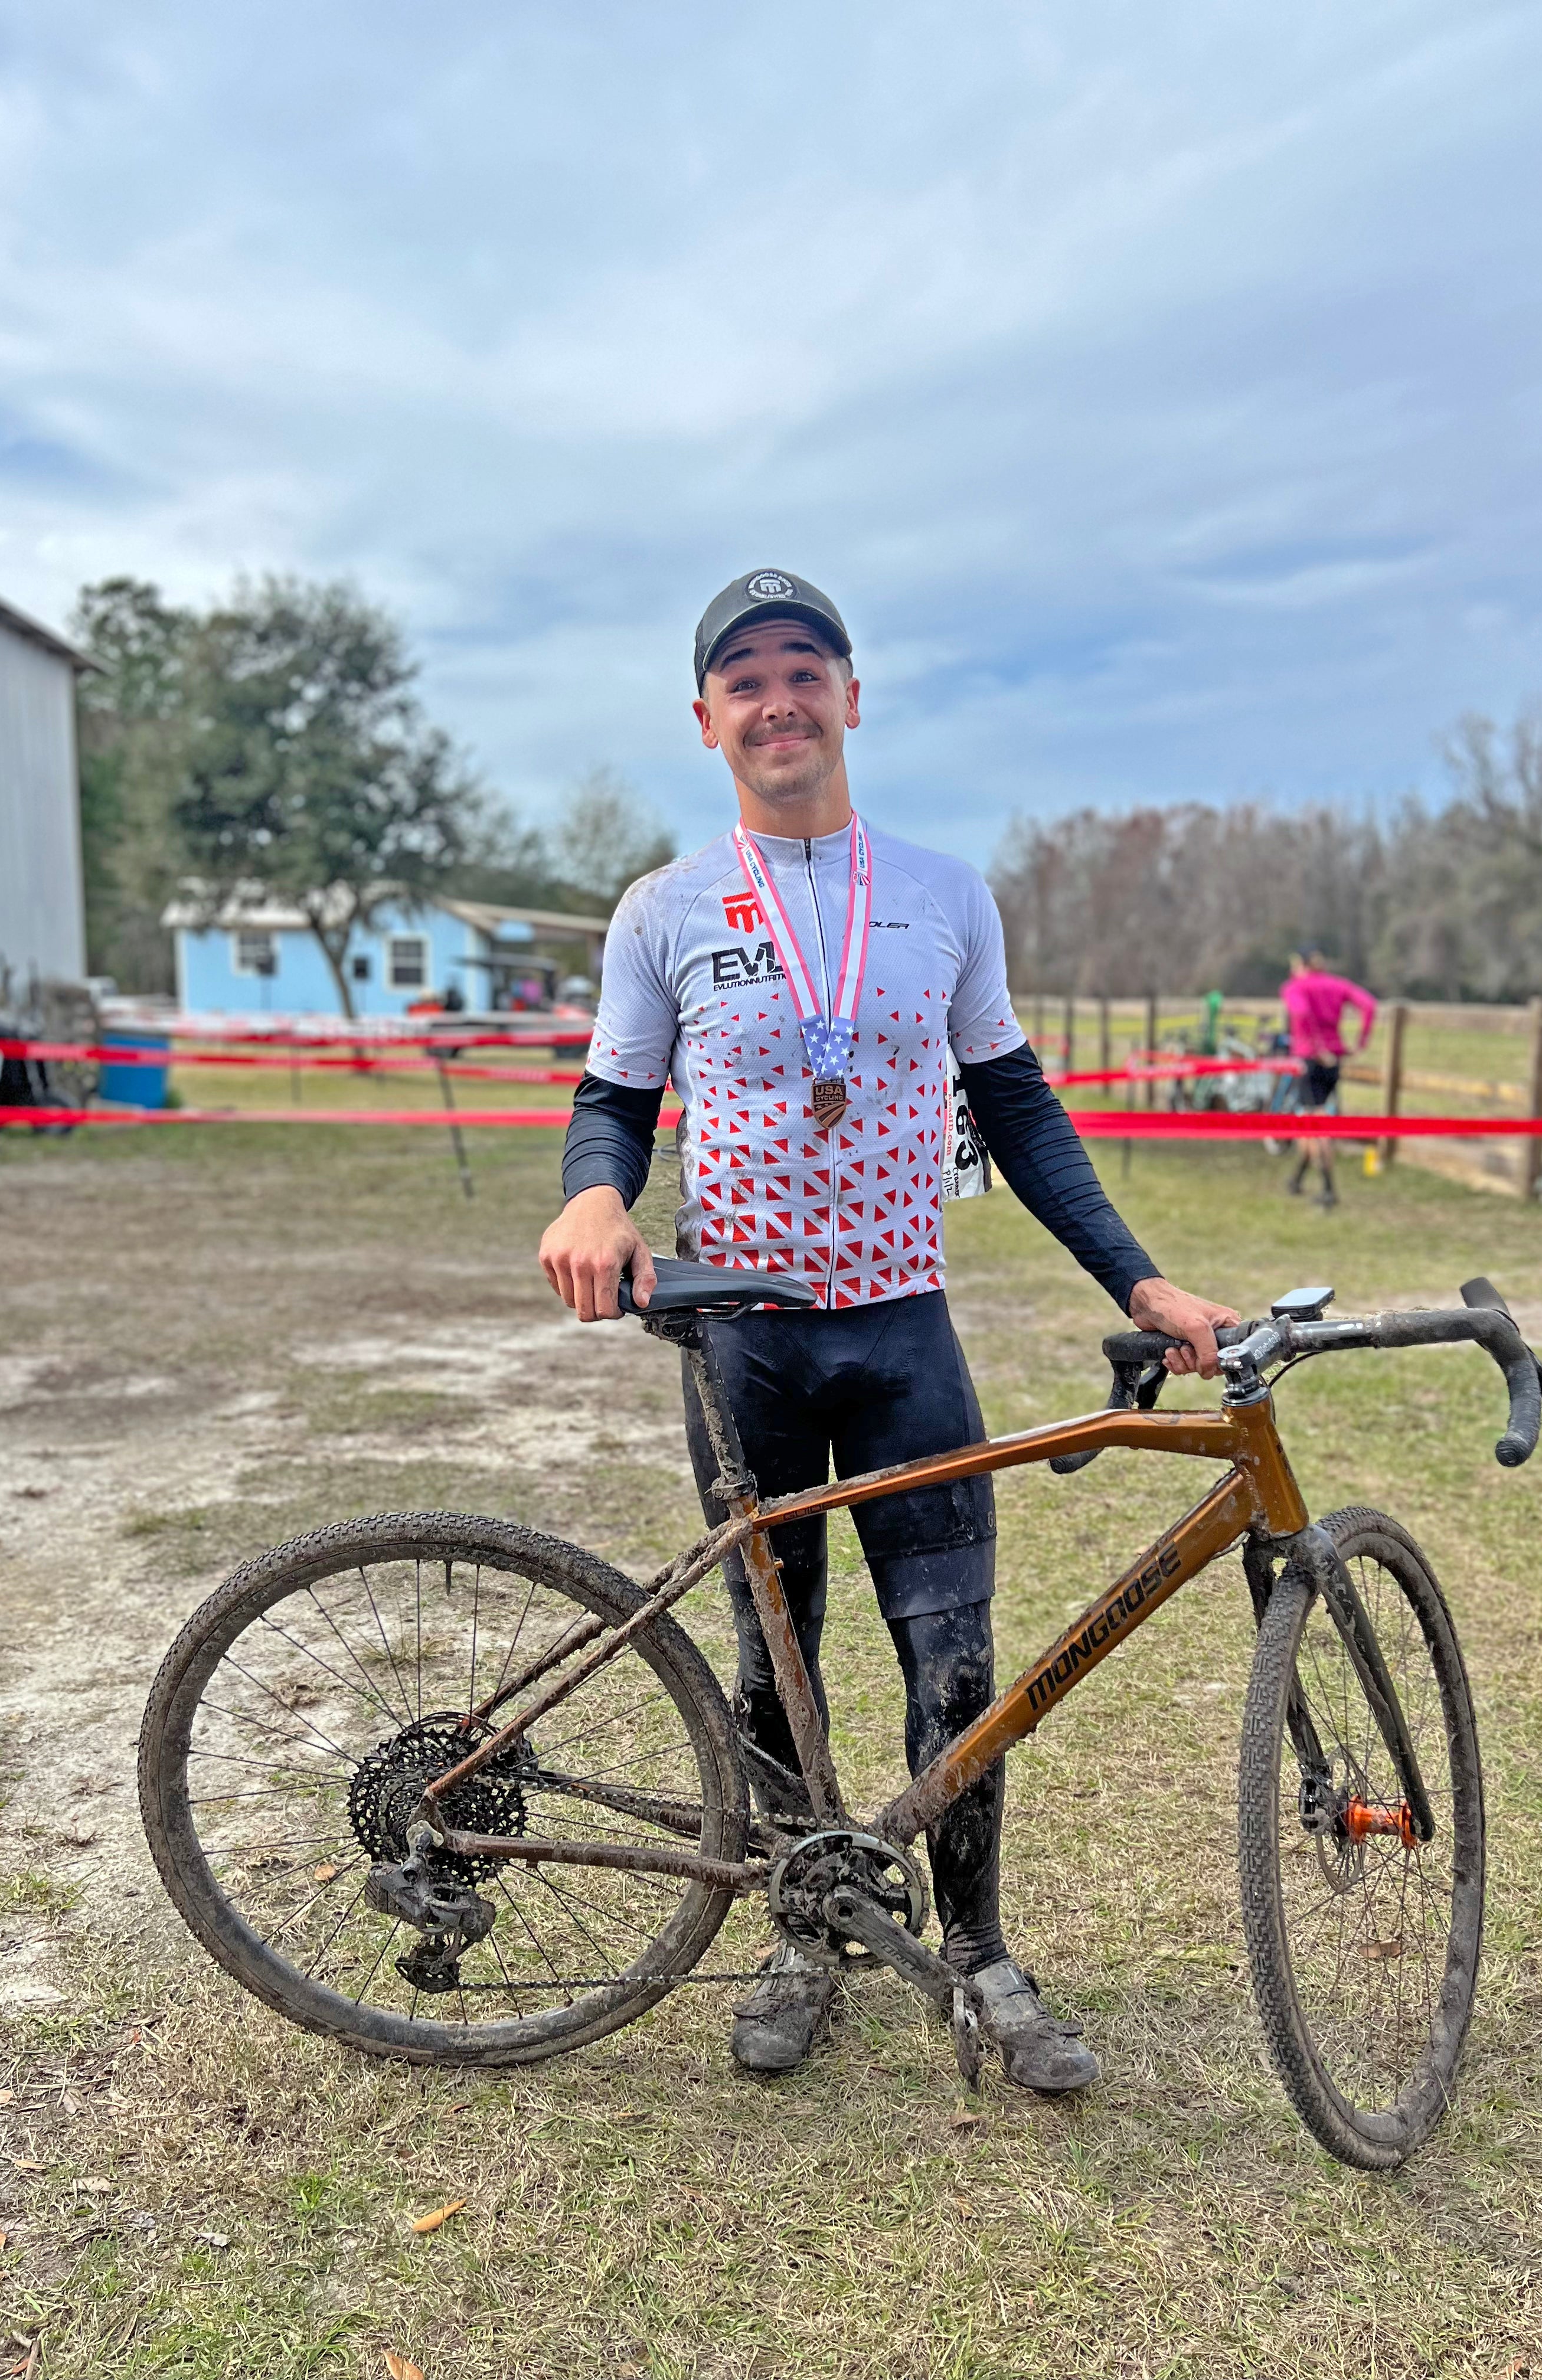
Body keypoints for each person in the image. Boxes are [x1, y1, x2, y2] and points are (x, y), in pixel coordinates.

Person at [538, 569, 1238, 2095]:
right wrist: (599, 1200)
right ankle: (806, 1928)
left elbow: (1019, 1109)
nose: (778, 699)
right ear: (708, 718)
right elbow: (613, 1103)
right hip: (746, 1343)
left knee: (958, 1663)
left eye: (806, 669)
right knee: (771, 1657)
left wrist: (1143, 1283)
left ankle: (980, 1950)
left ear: (853, 697)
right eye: (746, 678)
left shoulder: (942, 894)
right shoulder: (661, 909)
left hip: (905, 1330)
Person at [1280, 949, 1377, 1207]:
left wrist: (1316, 1045)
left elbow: (1300, 1012)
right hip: (1334, 1060)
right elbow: (1369, 1005)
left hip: (1309, 1060)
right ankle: (1297, 1178)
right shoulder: (1338, 985)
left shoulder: (1295, 988)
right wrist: (1361, 1042)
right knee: (1313, 1119)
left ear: (1300, 965)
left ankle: (1328, 1188)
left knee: (1315, 1124)